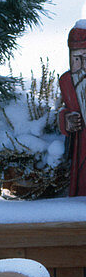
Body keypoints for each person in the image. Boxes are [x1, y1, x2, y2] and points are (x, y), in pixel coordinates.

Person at [58, 22, 86, 197]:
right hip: (80, 143)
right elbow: (60, 109)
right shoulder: (66, 81)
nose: (82, 65)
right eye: (76, 59)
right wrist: (65, 120)